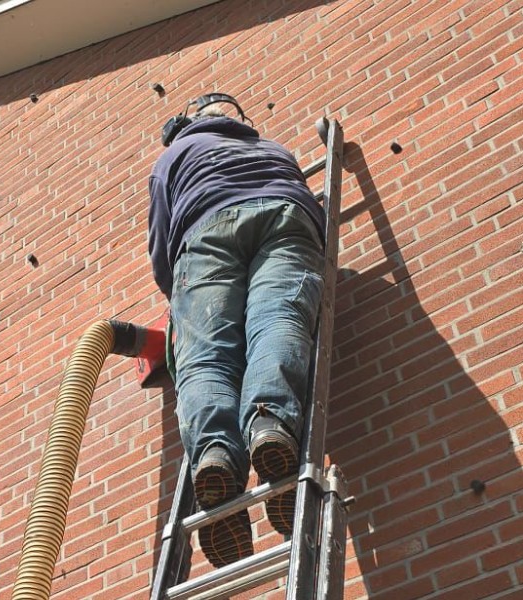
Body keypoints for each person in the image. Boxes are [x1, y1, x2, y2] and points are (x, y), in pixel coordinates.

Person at [148, 94, 325, 567]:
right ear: (237, 122)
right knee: (279, 320)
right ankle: (270, 422)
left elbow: (162, 246)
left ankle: (216, 454)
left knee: (206, 358)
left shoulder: (173, 158)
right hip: (287, 216)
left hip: (207, 233)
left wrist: (183, 302)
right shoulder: (273, 149)